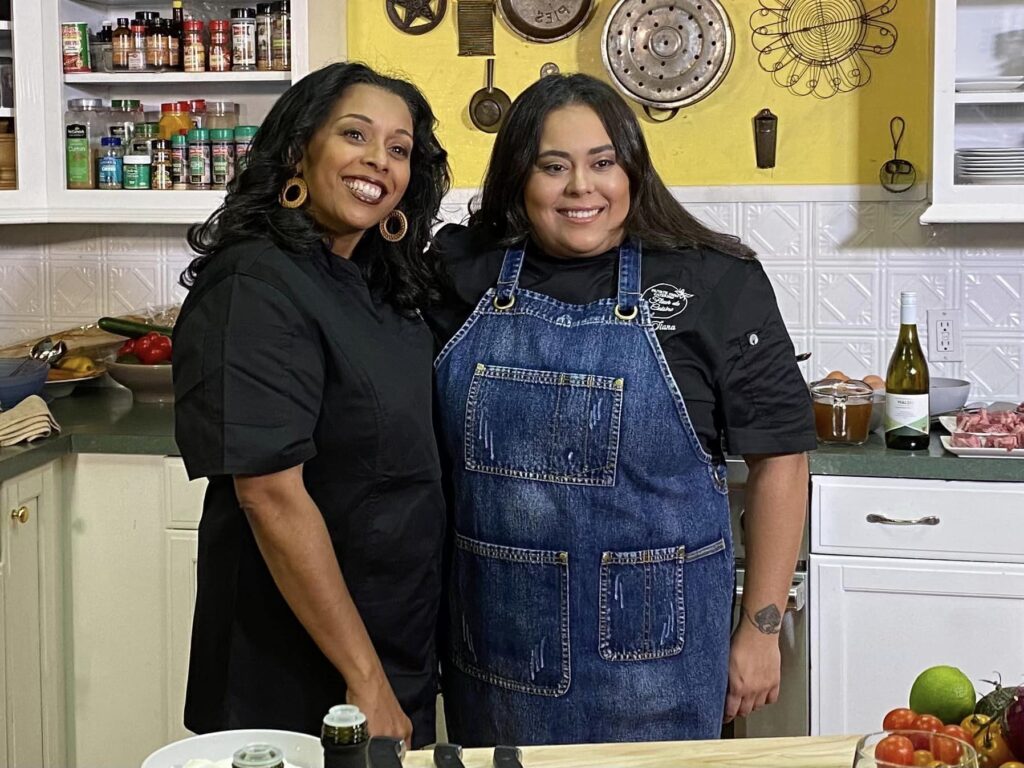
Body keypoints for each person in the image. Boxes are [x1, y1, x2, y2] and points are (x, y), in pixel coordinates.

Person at [426, 73, 814, 746]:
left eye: (603, 163)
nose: (583, 188)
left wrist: (760, 628)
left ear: (632, 169)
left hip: (660, 664)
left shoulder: (715, 280)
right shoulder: (462, 274)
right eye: (554, 166)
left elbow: (781, 459)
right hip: (496, 654)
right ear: (520, 177)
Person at [172, 62, 451, 748]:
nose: (377, 162)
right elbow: (270, 495)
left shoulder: (374, 281)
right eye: (354, 134)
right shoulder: (255, 282)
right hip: (298, 667)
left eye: (398, 148)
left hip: (390, 637)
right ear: (300, 149)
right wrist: (366, 680)